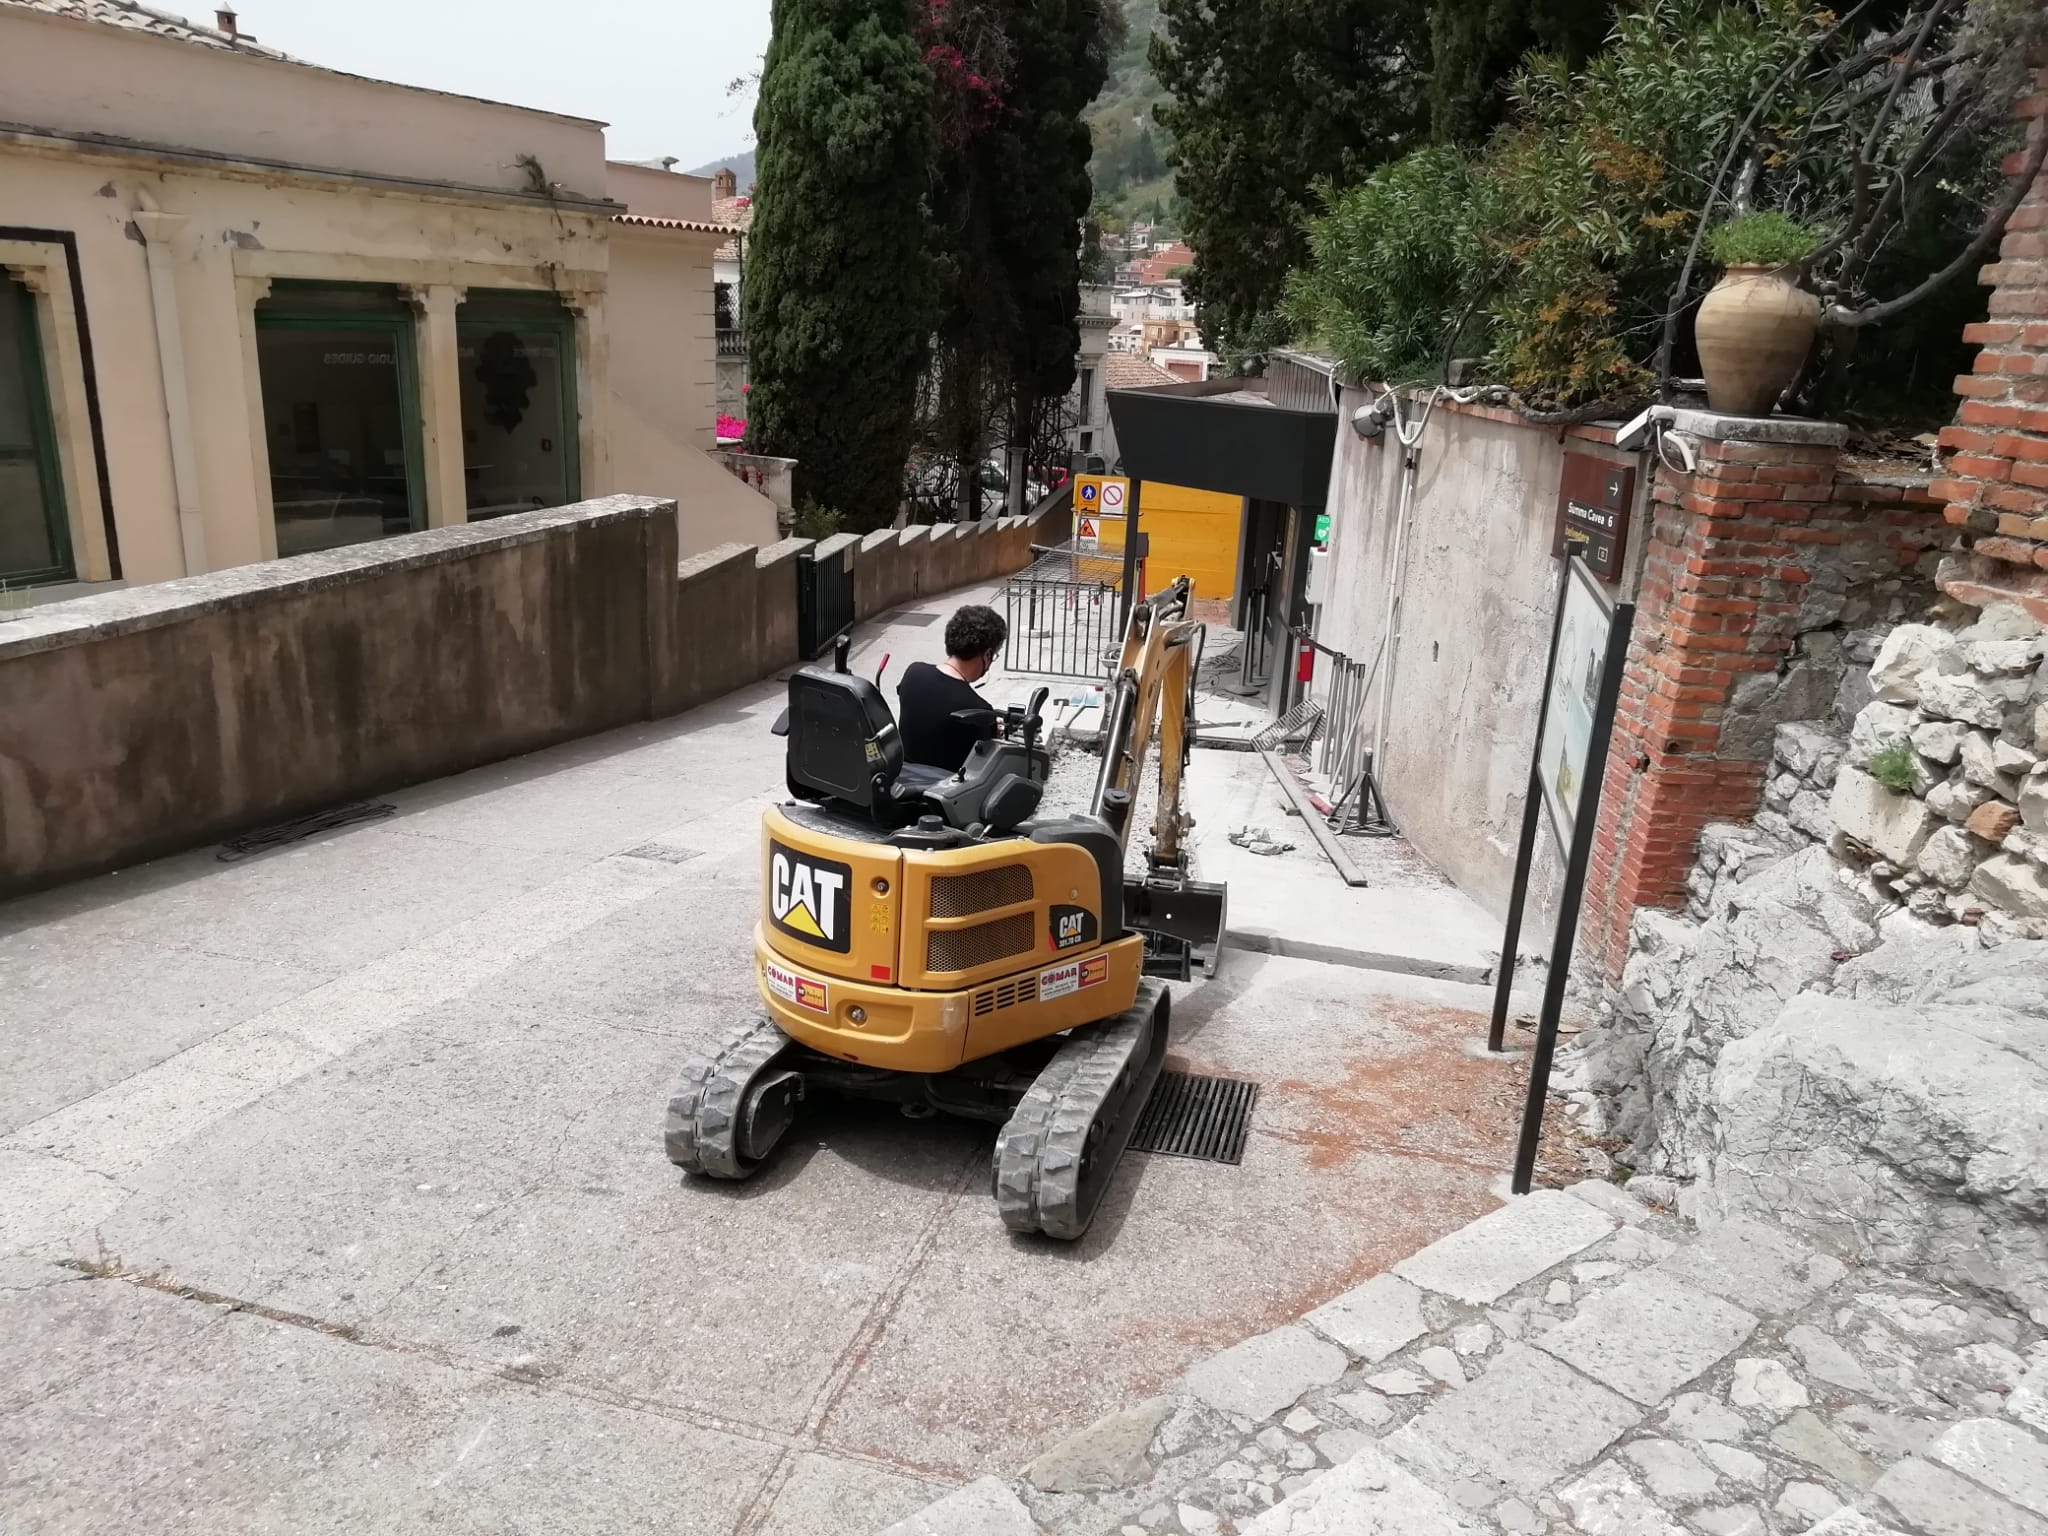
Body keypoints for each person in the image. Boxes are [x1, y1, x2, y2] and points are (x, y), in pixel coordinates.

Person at [897, 604, 1008, 773]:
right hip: (945, 785)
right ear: (987, 655)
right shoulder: (979, 710)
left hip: (902, 774)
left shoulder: (913, 673)